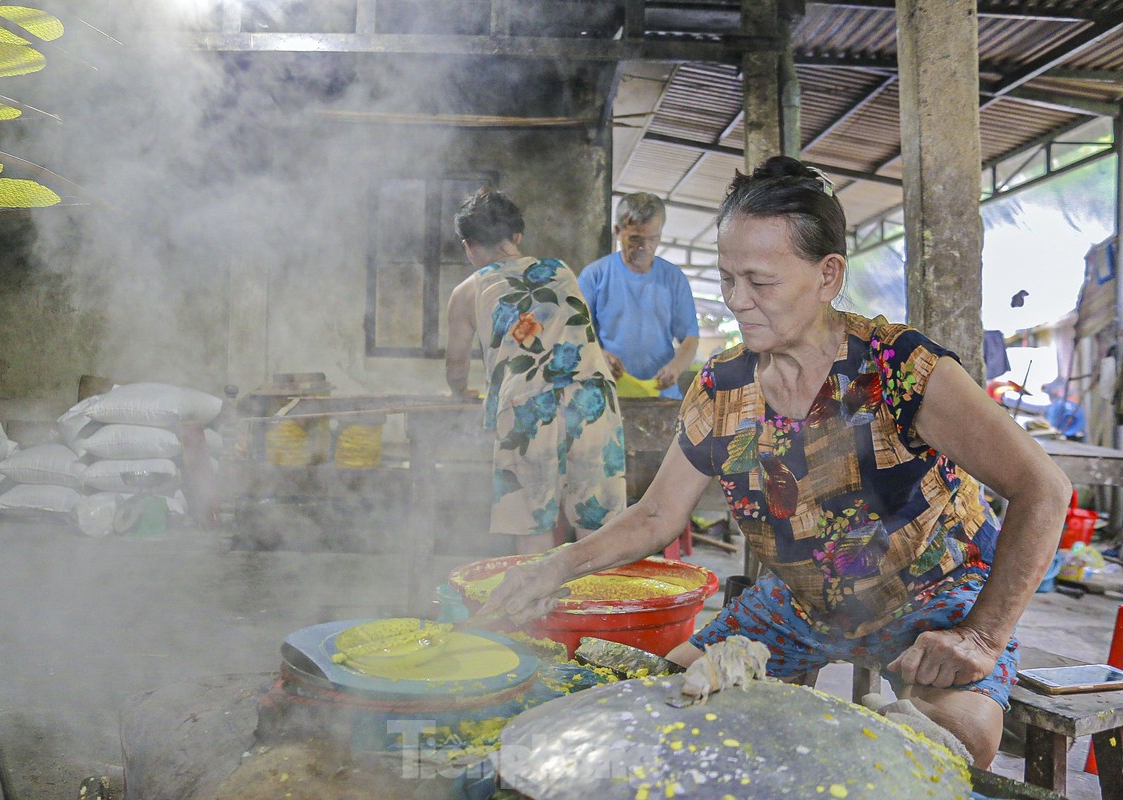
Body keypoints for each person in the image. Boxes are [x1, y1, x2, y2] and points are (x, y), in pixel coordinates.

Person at [476, 158, 1071, 768]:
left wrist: (981, 634)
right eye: (729, 277)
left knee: (937, 743)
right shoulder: (722, 389)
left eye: (760, 282)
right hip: (800, 601)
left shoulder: (901, 369)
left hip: (935, 595)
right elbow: (657, 513)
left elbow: (1043, 490)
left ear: (828, 274)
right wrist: (553, 568)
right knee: (666, 708)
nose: (737, 301)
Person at [445, 189, 627, 554]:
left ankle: (540, 610)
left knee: (533, 523)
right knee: (596, 522)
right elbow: (571, 335)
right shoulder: (560, 270)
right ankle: (596, 607)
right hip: (593, 397)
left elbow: (456, 365)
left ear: (468, 246)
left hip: (527, 406)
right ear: (517, 237)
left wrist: (458, 391)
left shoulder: (467, 292)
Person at [579, 192, 700, 399]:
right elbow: (576, 331)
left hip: (661, 393)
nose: (645, 247)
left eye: (653, 239)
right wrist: (600, 355)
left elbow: (689, 337)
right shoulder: (594, 275)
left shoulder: (673, 278)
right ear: (618, 231)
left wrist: (675, 367)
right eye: (635, 239)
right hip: (608, 392)